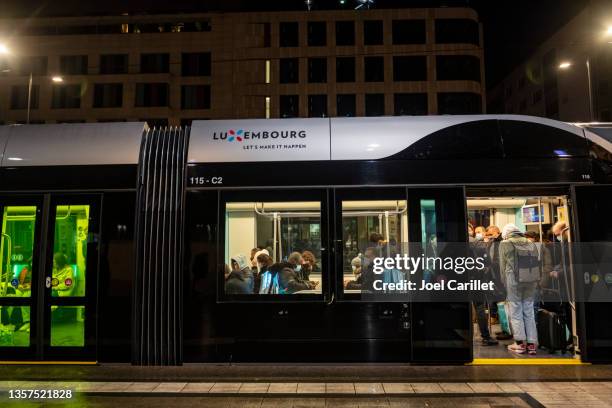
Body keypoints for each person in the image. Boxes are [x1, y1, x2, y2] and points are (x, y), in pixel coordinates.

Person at [499, 224, 539, 355]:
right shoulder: (530, 242)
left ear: (506, 234)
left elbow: (502, 267)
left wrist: (504, 284)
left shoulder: (505, 243)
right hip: (531, 280)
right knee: (529, 311)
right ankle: (532, 345)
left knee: (515, 311)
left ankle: (520, 344)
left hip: (514, 280)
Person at [471, 226, 498, 346]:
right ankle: (486, 337)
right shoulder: (477, 243)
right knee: (480, 307)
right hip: (475, 279)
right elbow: (488, 261)